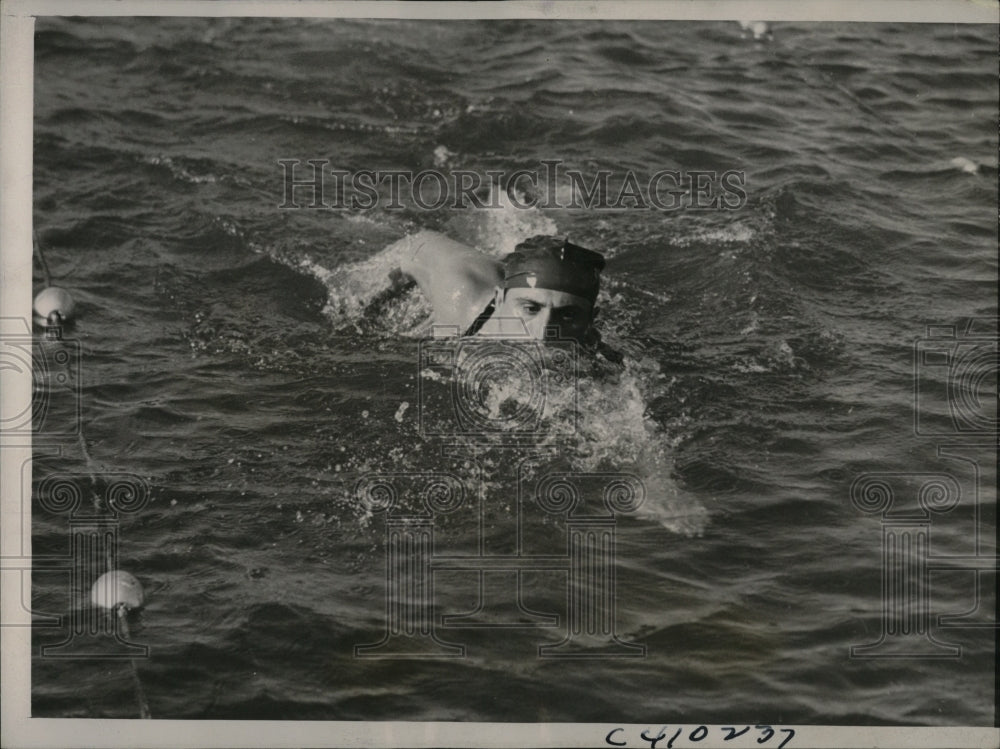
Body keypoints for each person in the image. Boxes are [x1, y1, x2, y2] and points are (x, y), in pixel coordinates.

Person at [393, 230, 609, 350]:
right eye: (531, 309)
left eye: (568, 315)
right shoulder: (460, 301)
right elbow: (418, 243)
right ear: (500, 298)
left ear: (591, 320)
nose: (543, 333)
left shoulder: (591, 344)